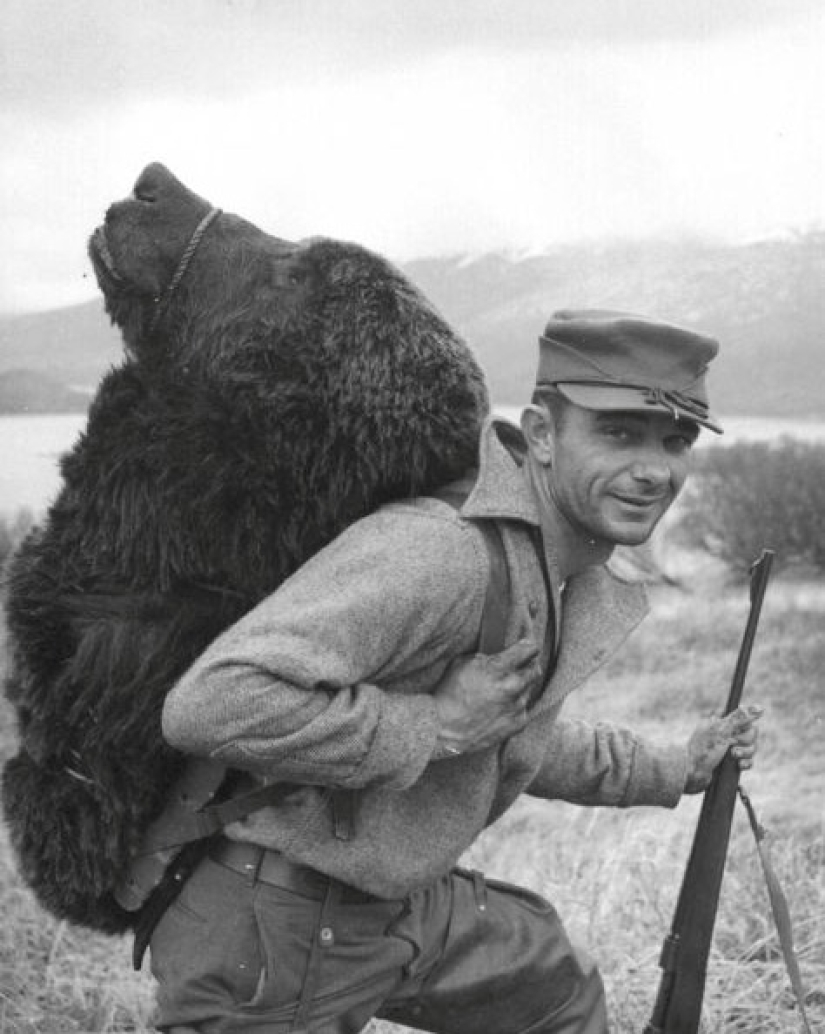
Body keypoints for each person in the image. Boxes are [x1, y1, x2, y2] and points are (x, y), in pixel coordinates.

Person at [153, 310, 761, 1034]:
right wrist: (433, 725)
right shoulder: (445, 555)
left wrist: (676, 767)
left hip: (392, 901)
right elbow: (210, 704)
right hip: (271, 929)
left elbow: (510, 731)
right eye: (617, 433)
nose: (653, 469)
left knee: (553, 985)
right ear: (539, 435)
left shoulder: (541, 557)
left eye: (674, 441)